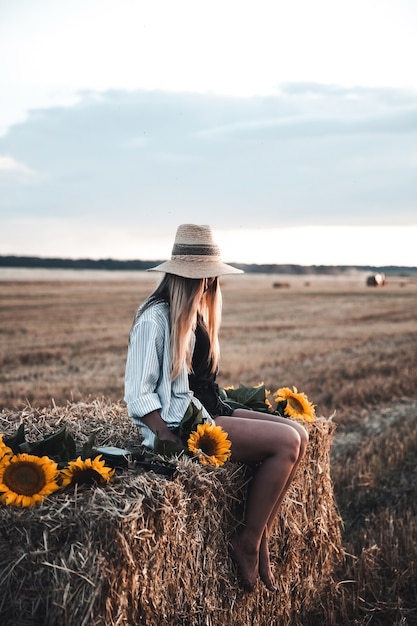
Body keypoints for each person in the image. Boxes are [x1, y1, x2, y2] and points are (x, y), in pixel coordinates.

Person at [125, 224, 308, 592]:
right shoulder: (154, 319)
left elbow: (203, 388)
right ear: (188, 277)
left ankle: (261, 536)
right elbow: (137, 394)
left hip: (209, 410)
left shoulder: (194, 314)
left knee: (300, 434)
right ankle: (247, 542)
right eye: (206, 277)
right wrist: (167, 438)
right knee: (285, 444)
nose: (211, 284)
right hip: (183, 424)